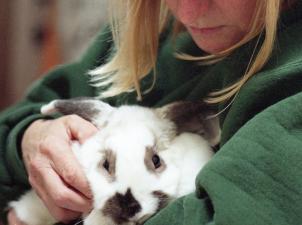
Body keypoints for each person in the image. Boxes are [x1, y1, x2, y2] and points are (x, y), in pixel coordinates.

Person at [1, 0, 302, 224]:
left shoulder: (290, 87)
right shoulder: (155, 29)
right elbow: (19, 120)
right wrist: (29, 138)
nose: (186, 11)